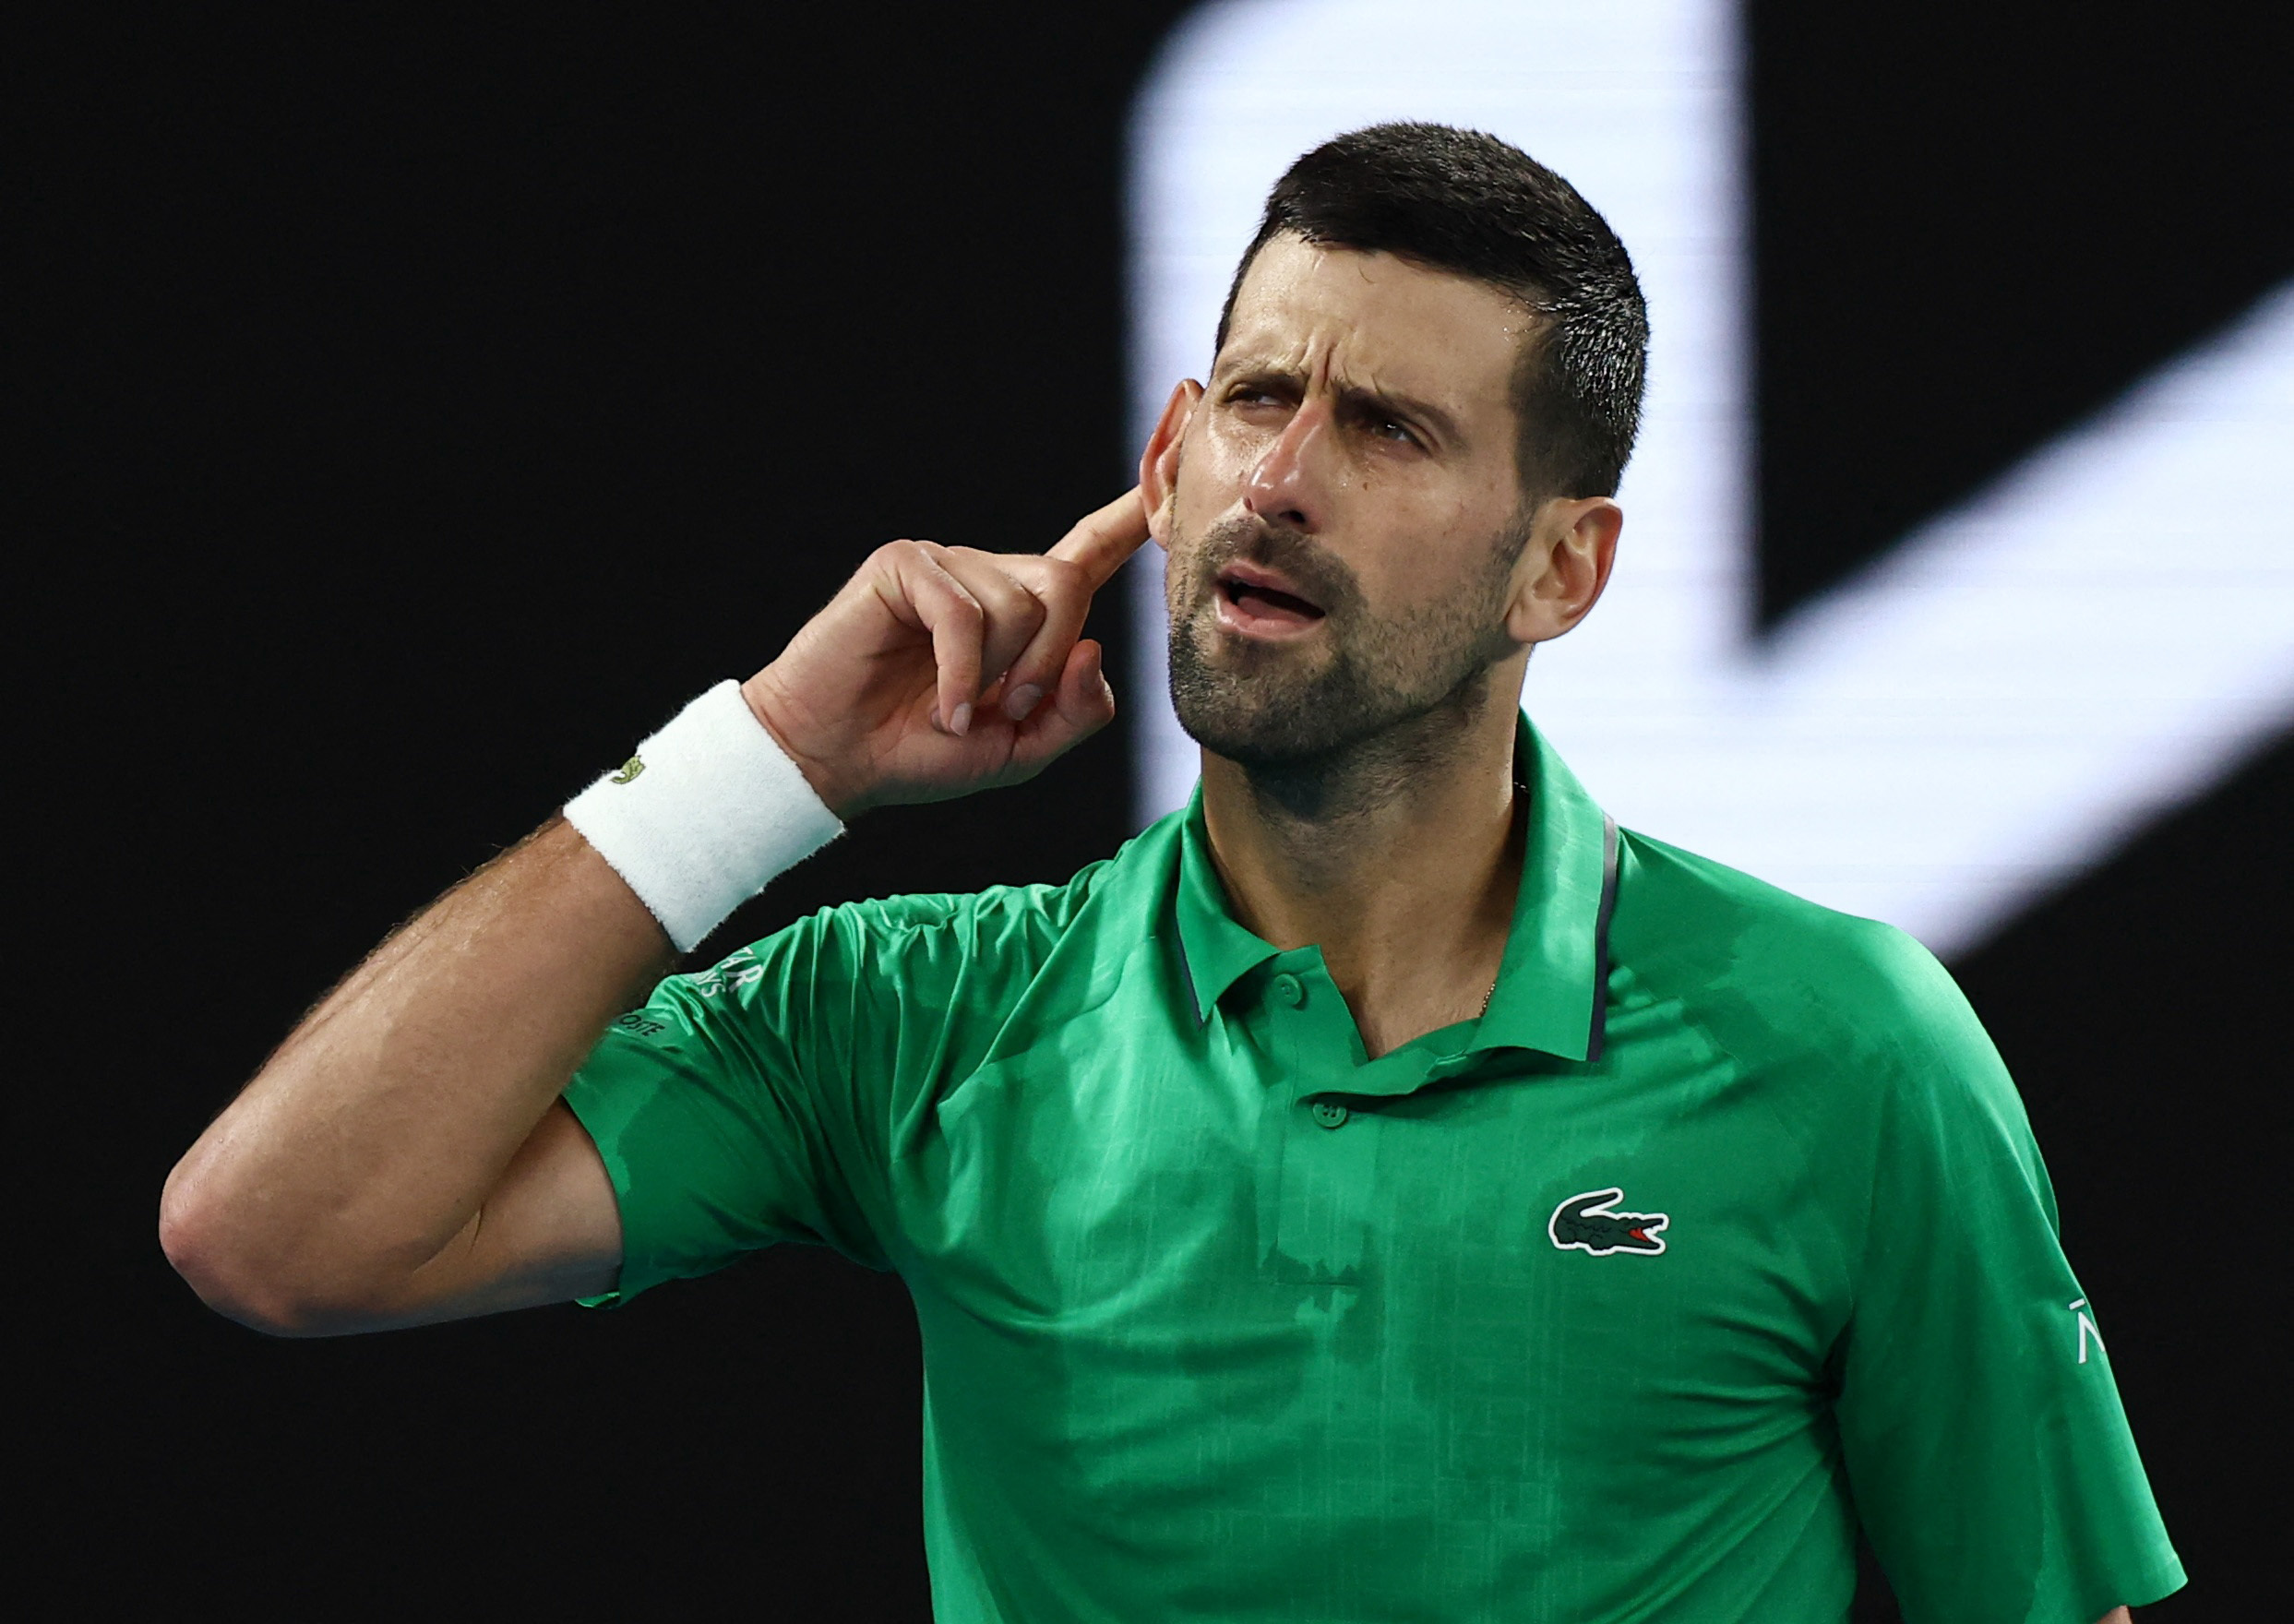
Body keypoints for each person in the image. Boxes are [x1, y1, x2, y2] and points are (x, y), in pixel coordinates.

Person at [161, 124, 2182, 1623]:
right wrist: (768, 763)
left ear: (1561, 567)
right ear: (1164, 457)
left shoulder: (1844, 1048)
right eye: (1257, 397)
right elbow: (279, 1234)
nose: (1279, 478)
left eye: (1388, 429)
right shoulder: (922, 1017)